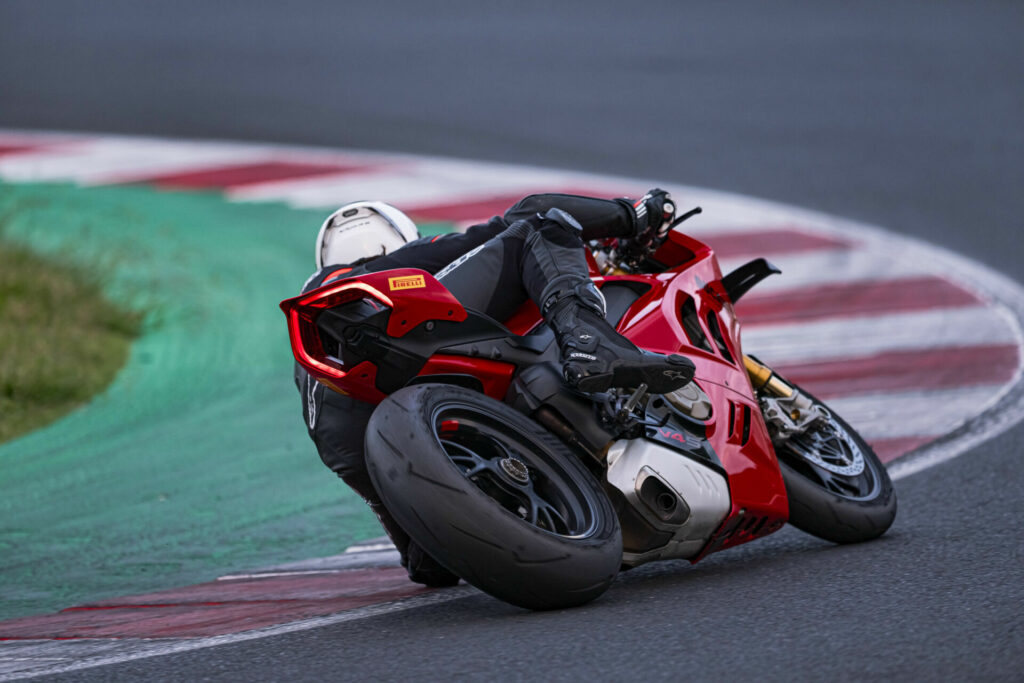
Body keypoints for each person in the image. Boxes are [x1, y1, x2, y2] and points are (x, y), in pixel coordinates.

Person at [294, 191, 694, 586]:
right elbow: (517, 217)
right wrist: (633, 216)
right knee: (537, 228)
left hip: (344, 434)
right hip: (388, 333)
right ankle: (590, 342)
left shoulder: (316, 344)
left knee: (430, 563)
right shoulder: (390, 267)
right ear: (396, 238)